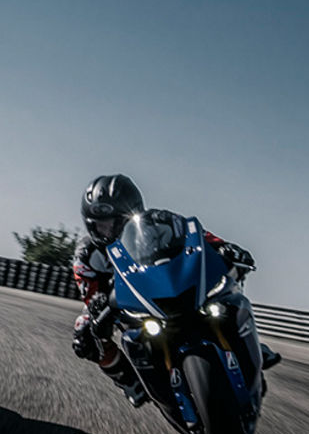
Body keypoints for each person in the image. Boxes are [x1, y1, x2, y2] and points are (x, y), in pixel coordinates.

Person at [69, 174, 279, 406]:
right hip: (123, 305)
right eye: (101, 225)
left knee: (225, 282)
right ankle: (129, 381)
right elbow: (88, 292)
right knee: (83, 334)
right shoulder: (86, 255)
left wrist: (224, 247)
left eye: (115, 222)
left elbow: (197, 238)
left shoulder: (159, 221)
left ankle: (250, 345)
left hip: (168, 283)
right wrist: (97, 301)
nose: (108, 230)